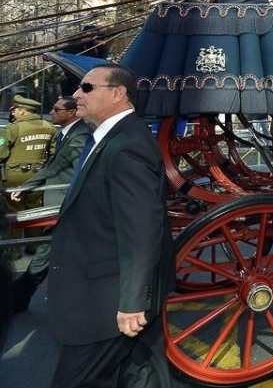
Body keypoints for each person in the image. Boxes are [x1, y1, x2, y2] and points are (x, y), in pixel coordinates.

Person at [48, 63, 173, 387]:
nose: (77, 94)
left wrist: (132, 303)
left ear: (118, 94)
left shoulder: (127, 145)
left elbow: (142, 230)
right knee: (143, 374)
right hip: (106, 291)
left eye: (87, 87)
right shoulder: (108, 137)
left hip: (108, 302)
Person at [8, 97, 92, 313]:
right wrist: (26, 186)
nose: (51, 112)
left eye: (56, 109)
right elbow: (53, 167)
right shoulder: (65, 132)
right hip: (58, 202)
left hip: (65, 206)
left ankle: (20, 296)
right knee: (51, 251)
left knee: (48, 252)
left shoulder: (80, 137)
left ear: (71, 112)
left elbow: (81, 174)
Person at [0, 95, 57, 258]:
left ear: (23, 111)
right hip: (38, 175)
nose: (13, 113)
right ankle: (34, 247)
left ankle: (14, 251)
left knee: (13, 211)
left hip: (13, 176)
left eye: (15, 110)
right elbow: (54, 153)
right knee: (35, 210)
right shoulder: (49, 127)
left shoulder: (12, 129)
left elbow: (1, 153)